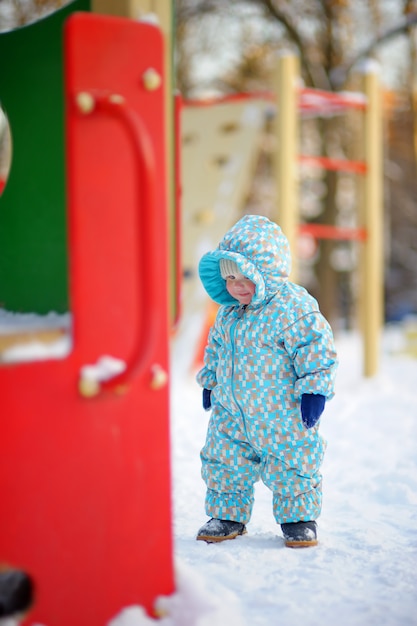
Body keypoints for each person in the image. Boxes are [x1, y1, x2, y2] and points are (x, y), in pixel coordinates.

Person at [195, 215, 338, 548]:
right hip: (232, 414)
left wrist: (314, 390)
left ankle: (298, 517)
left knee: (293, 461)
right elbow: (216, 348)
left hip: (282, 414)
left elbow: (316, 347)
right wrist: (210, 381)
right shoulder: (228, 312)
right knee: (223, 459)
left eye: (247, 275)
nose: (238, 285)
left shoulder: (291, 307)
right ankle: (227, 514)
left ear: (267, 271)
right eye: (230, 277)